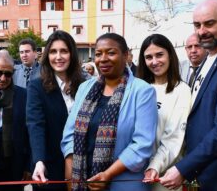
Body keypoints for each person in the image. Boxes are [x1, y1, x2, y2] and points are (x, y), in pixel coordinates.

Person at [61, 33, 158, 191]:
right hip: (83, 182)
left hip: (123, 183)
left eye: (111, 52)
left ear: (125, 55)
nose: (103, 59)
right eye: (98, 54)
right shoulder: (85, 88)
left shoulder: (143, 91)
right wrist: (71, 173)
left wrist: (108, 174)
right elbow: (69, 134)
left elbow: (142, 145)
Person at [160, 0, 217, 191]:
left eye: (209, 23)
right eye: (197, 25)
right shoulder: (208, 59)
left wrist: (184, 168)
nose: (202, 31)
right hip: (203, 172)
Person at [27, 30, 85, 190]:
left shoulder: (85, 85)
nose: (58, 57)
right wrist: (39, 161)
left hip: (83, 166)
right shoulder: (36, 87)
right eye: (53, 51)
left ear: (72, 54)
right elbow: (35, 125)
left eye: (64, 51)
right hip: (49, 168)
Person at [137, 34, 191, 191]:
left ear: (170, 55)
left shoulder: (181, 90)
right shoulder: (138, 89)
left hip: (164, 176)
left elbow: (173, 136)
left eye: (159, 55)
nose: (154, 62)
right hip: (134, 172)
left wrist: (154, 166)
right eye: (148, 57)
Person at [0, 53, 30, 191]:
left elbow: (30, 133)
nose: (3, 78)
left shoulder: (24, 96)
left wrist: (29, 166)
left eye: (8, 74)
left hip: (14, 166)